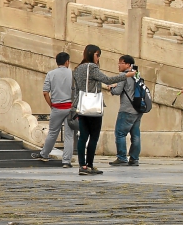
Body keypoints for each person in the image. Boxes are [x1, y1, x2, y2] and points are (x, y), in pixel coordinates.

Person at [72, 44, 134, 176]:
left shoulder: (77, 69)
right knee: (93, 136)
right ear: (90, 54)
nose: (98, 58)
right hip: (93, 106)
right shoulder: (92, 67)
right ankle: (89, 164)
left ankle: (82, 165)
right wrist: (126, 75)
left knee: (83, 136)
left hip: (82, 105)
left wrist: (75, 106)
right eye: (97, 55)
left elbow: (75, 89)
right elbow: (107, 80)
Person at [31, 52, 75, 167]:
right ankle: (66, 161)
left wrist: (51, 105)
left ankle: (44, 154)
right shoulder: (72, 74)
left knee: (52, 133)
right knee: (69, 135)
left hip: (56, 107)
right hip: (70, 108)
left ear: (57, 62)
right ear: (67, 62)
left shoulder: (51, 74)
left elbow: (45, 93)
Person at [109, 55, 142, 167]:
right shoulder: (137, 74)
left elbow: (118, 91)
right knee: (135, 135)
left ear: (128, 64)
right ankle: (134, 159)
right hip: (138, 109)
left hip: (126, 109)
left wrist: (111, 88)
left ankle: (122, 158)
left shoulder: (123, 75)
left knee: (120, 133)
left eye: (121, 63)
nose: (118, 65)